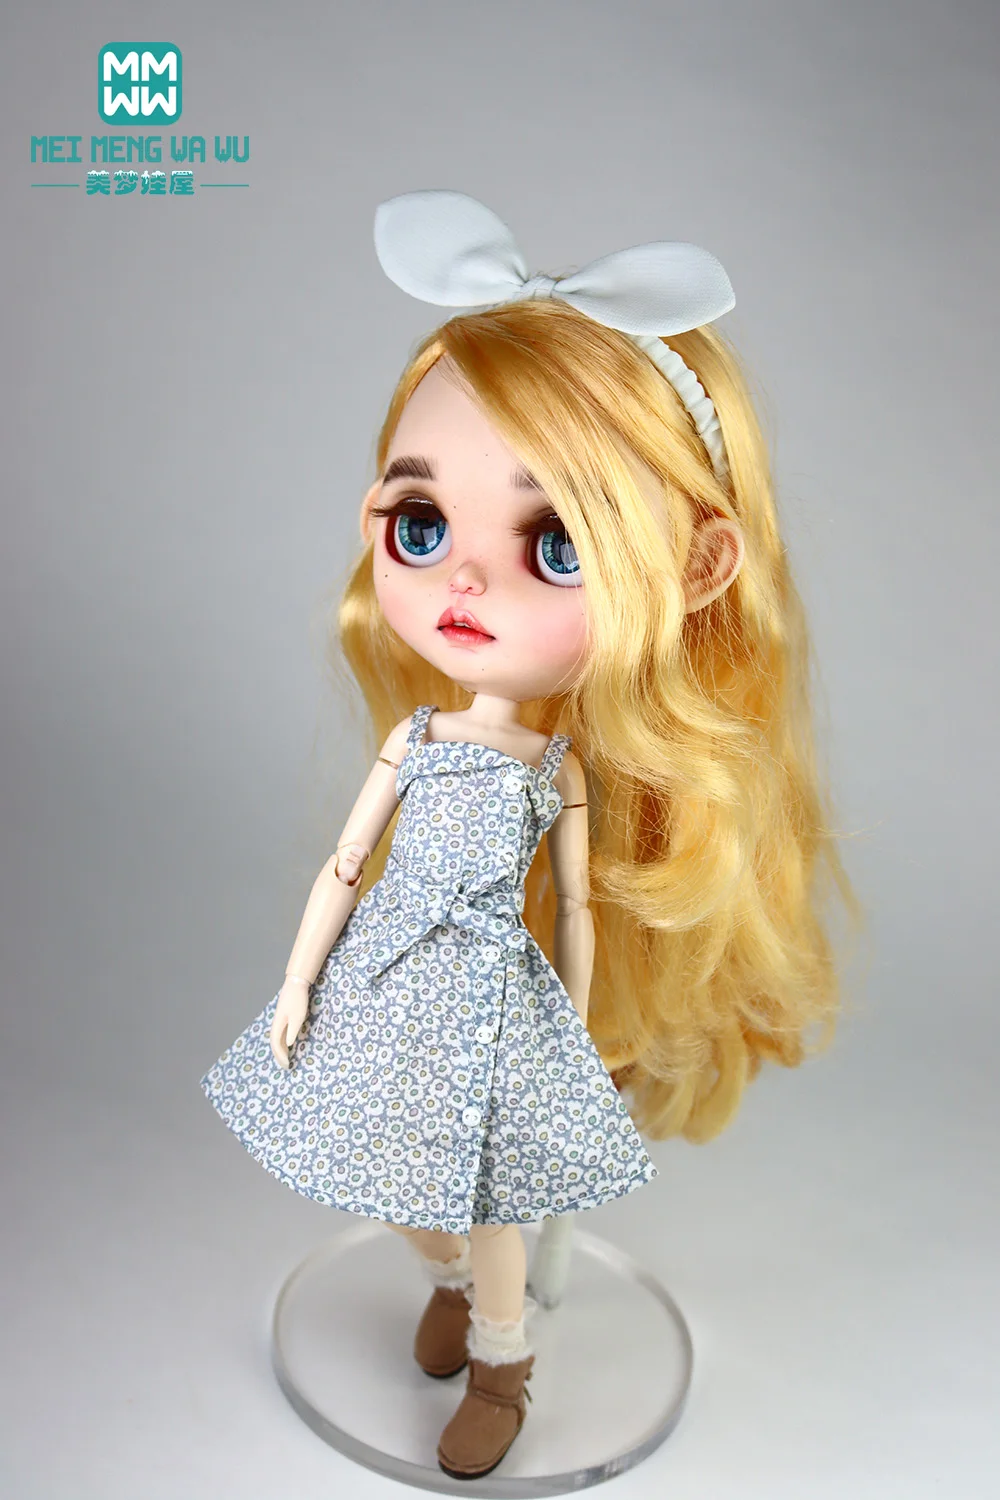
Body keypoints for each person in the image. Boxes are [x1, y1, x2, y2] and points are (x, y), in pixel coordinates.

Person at [202, 191, 856, 1478]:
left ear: (696, 571)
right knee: (384, 1175)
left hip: (497, 1006)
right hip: (392, 978)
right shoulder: (418, 739)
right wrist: (299, 983)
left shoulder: (557, 773)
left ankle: (504, 1359)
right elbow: (347, 866)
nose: (462, 580)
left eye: (555, 544)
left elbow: (579, 909)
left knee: (487, 1195)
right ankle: (449, 1283)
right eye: (422, 524)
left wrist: (578, 1033)